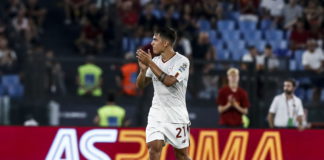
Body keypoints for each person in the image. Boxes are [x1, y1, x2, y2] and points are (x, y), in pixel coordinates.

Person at [136, 27, 191, 160]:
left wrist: (149, 63)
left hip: (176, 116)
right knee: (154, 148)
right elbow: (140, 85)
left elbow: (169, 81)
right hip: (157, 113)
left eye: (155, 39)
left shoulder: (182, 61)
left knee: (182, 156)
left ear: (165, 43)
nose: (152, 43)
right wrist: (143, 71)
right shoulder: (155, 61)